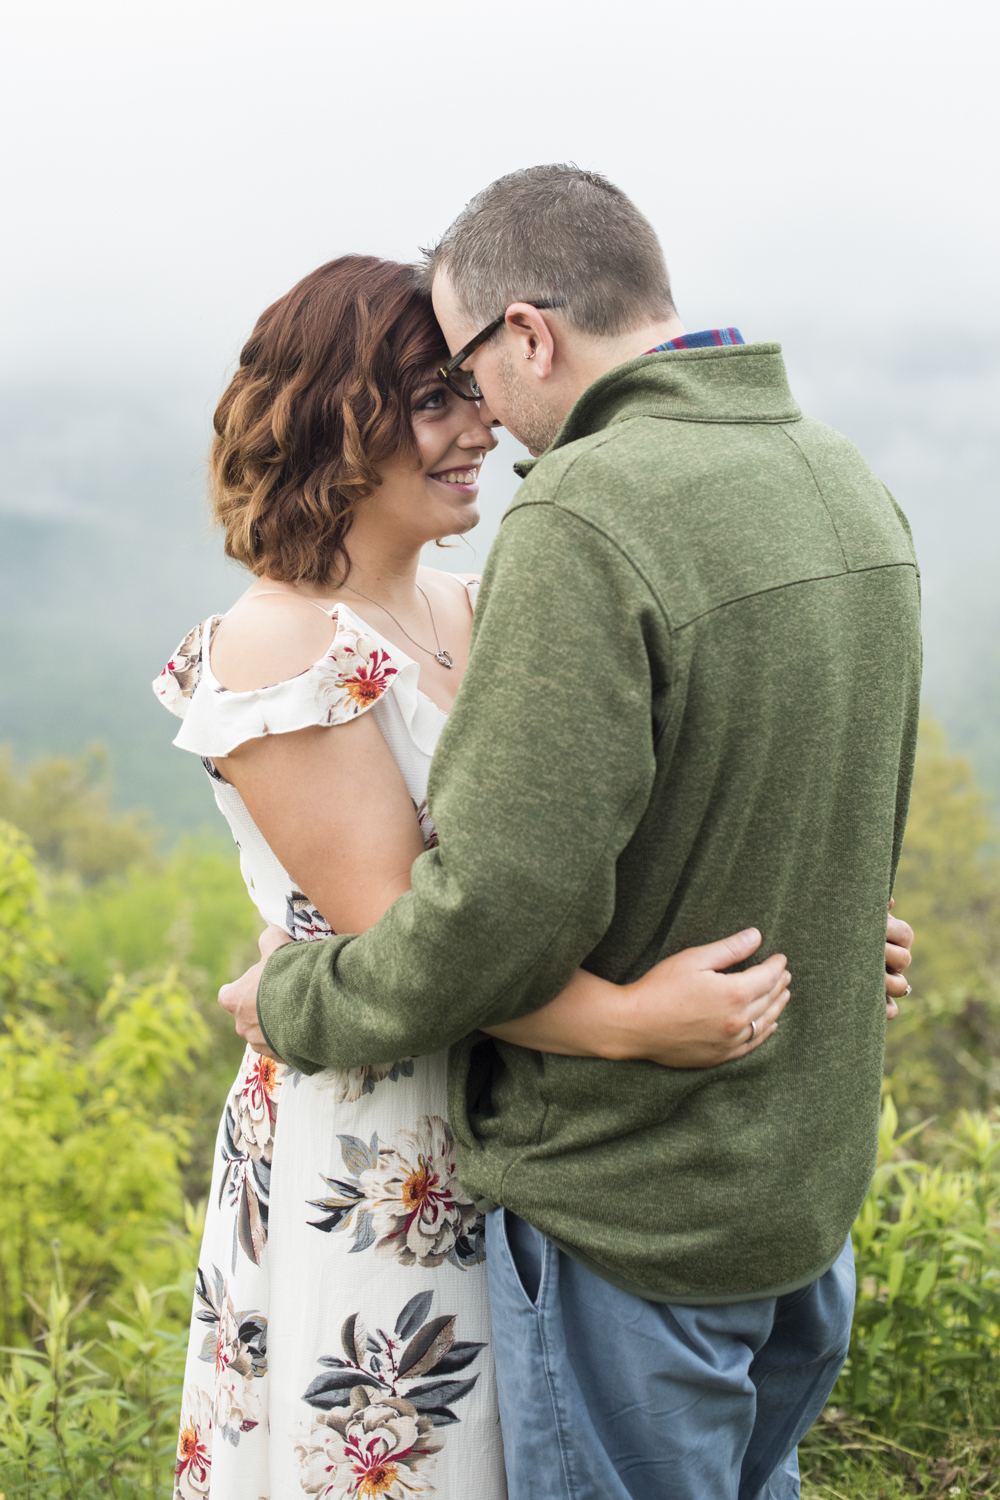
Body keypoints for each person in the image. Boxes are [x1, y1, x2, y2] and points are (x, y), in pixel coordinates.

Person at [221, 168, 921, 1499]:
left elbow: (494, 914)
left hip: (634, 1196)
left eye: (468, 378)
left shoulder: (584, 520)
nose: (482, 423)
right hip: (779, 1188)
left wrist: (294, 994)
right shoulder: (840, 476)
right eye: (433, 400)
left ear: (529, 335)